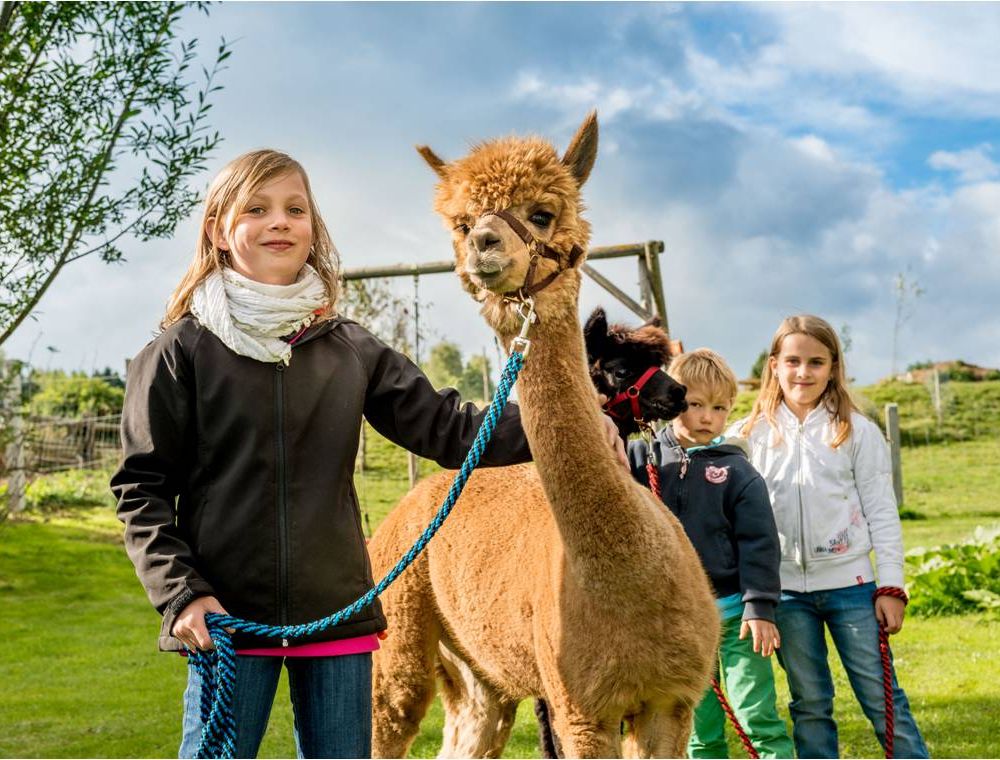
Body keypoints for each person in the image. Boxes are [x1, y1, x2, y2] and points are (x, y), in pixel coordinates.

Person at [110, 149, 625, 759]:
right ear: (220, 232)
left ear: (312, 228)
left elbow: (447, 428)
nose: (280, 221)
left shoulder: (347, 348)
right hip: (224, 619)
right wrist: (181, 595)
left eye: (294, 209)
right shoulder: (179, 353)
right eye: (257, 209)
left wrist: (570, 423)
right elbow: (139, 489)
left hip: (337, 614)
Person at [732, 314, 929, 759]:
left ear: (833, 367)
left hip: (852, 589)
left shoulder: (857, 431)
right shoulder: (748, 436)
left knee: (883, 701)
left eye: (816, 362)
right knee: (811, 705)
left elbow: (882, 512)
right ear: (774, 366)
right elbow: (698, 457)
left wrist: (891, 585)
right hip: (784, 595)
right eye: (794, 361)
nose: (804, 373)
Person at [630, 349, 793, 759]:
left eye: (719, 408)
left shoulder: (737, 473)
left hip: (735, 616)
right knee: (697, 727)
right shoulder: (641, 459)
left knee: (755, 715)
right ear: (672, 401)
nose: (707, 417)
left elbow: (760, 543)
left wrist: (760, 607)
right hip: (676, 624)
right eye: (695, 405)